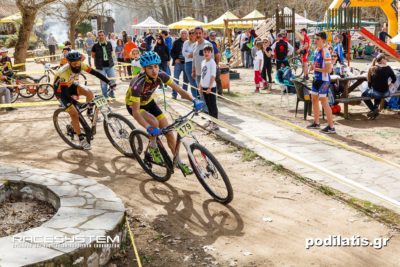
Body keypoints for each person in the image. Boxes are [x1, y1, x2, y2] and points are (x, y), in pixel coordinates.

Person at [125, 51, 204, 175]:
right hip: (135, 105)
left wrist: (194, 99)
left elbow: (179, 90)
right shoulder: (138, 84)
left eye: (156, 66)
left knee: (169, 132)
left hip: (149, 102)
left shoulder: (162, 75)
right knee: (154, 123)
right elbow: (135, 112)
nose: (154, 70)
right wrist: (148, 127)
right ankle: (153, 148)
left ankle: (178, 161)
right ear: (144, 69)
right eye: (150, 68)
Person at [53, 50, 116, 150]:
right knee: (74, 113)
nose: (77, 65)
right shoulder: (64, 72)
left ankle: (89, 111)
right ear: (69, 63)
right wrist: (77, 103)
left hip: (70, 84)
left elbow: (96, 73)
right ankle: (81, 138)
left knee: (89, 92)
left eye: (78, 62)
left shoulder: (81, 65)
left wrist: (109, 82)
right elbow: (65, 94)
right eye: (74, 64)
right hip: (61, 91)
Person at [307, 32, 336, 134]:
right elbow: (315, 65)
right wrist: (312, 67)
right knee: (314, 99)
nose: (316, 40)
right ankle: (316, 122)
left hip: (324, 80)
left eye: (318, 39)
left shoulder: (326, 51)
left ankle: (331, 126)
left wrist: (317, 69)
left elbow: (328, 69)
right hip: (316, 78)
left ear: (323, 40)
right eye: (315, 39)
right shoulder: (316, 51)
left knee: (324, 101)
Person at [362, 53, 396, 119]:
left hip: (378, 93)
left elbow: (369, 84)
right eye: (386, 59)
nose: (386, 60)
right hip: (386, 92)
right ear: (382, 60)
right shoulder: (388, 68)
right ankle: (375, 110)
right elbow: (394, 79)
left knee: (363, 95)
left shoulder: (372, 68)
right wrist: (389, 84)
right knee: (378, 92)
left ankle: (373, 110)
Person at [192, 26, 213, 113]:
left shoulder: (207, 44)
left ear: (202, 33)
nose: (198, 35)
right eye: (196, 33)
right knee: (200, 92)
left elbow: (212, 59)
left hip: (206, 73)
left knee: (207, 92)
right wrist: (193, 70)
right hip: (197, 72)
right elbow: (194, 59)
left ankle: (208, 110)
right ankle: (205, 109)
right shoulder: (195, 45)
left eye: (199, 33)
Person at [91, 30, 116, 100]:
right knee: (103, 82)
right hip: (100, 67)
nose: (101, 37)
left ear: (104, 36)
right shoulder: (95, 45)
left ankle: (111, 92)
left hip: (109, 65)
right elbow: (93, 55)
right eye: (99, 35)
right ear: (98, 37)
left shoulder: (109, 43)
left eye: (102, 35)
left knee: (113, 80)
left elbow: (111, 52)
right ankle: (105, 96)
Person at [199, 45, 219, 131]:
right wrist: (200, 85)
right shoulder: (203, 62)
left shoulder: (212, 62)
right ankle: (211, 120)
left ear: (211, 53)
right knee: (208, 105)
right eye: (205, 52)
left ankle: (215, 123)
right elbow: (202, 75)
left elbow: (213, 76)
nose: (206, 53)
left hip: (210, 88)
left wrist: (210, 87)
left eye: (208, 52)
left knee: (212, 105)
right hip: (204, 87)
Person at [170, 29, 188, 99]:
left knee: (186, 80)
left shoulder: (189, 42)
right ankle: (174, 94)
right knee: (175, 79)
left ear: (187, 34)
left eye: (185, 33)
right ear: (180, 34)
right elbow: (171, 52)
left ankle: (184, 94)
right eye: (182, 33)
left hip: (186, 63)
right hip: (178, 63)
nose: (183, 34)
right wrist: (175, 59)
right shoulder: (176, 42)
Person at [182, 29, 198, 98]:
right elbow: (183, 52)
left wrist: (191, 54)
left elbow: (197, 53)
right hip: (188, 63)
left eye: (193, 33)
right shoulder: (186, 42)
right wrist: (189, 54)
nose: (191, 34)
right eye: (190, 33)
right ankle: (195, 99)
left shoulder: (198, 42)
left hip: (196, 63)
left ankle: (200, 97)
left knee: (197, 81)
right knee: (192, 82)